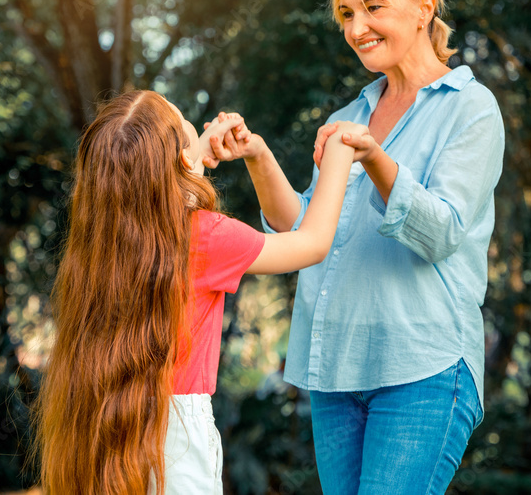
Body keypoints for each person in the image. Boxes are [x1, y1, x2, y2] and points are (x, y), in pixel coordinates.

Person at [204, 0, 505, 494]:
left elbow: (440, 232)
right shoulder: (350, 115)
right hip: (338, 370)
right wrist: (258, 156)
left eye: (373, 7)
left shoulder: (471, 108)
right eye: (346, 13)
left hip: (424, 367)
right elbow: (304, 232)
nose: (356, 27)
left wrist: (374, 156)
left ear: (424, 7)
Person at [34, 89, 367, 495]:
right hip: (178, 438)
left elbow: (144, 189)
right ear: (178, 159)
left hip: (99, 417)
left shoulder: (97, 244)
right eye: (185, 122)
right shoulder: (205, 235)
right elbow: (312, 243)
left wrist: (214, 156)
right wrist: (339, 152)